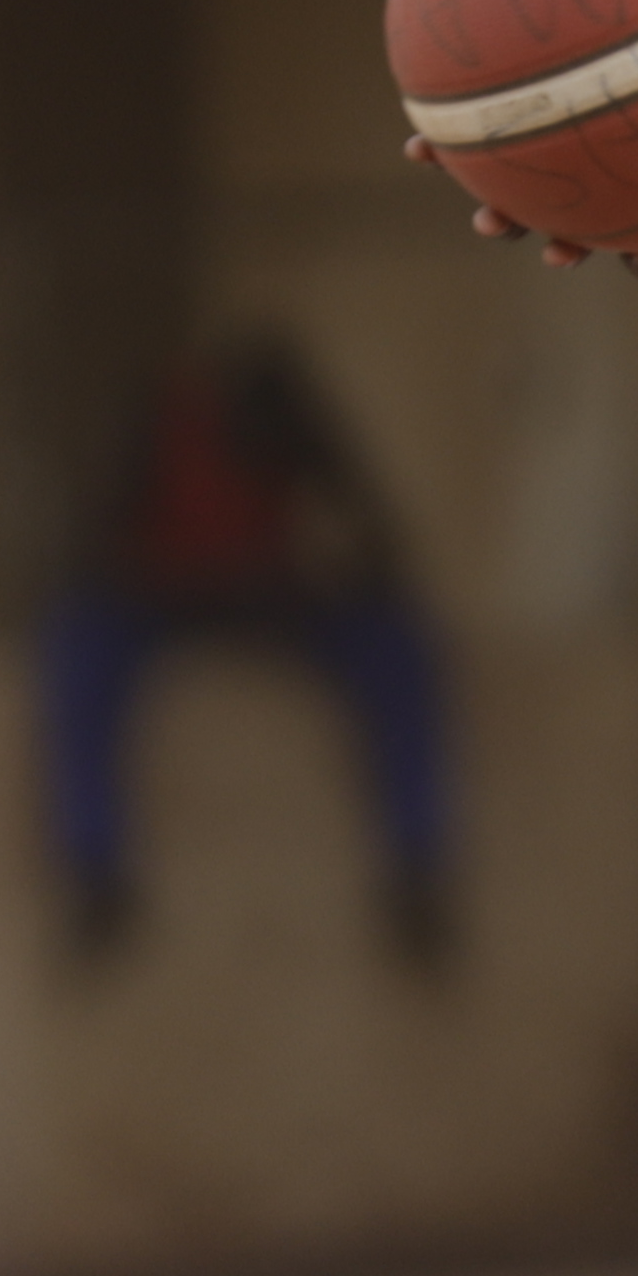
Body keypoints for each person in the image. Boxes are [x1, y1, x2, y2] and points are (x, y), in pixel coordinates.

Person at [36, 335, 454, 964]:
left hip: (268, 599)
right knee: (77, 647)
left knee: (395, 646)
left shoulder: (290, 417)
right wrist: (173, 577)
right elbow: (89, 552)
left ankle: (417, 865)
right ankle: (97, 869)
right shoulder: (158, 425)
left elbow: (379, 539)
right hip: (165, 599)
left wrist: (318, 578)